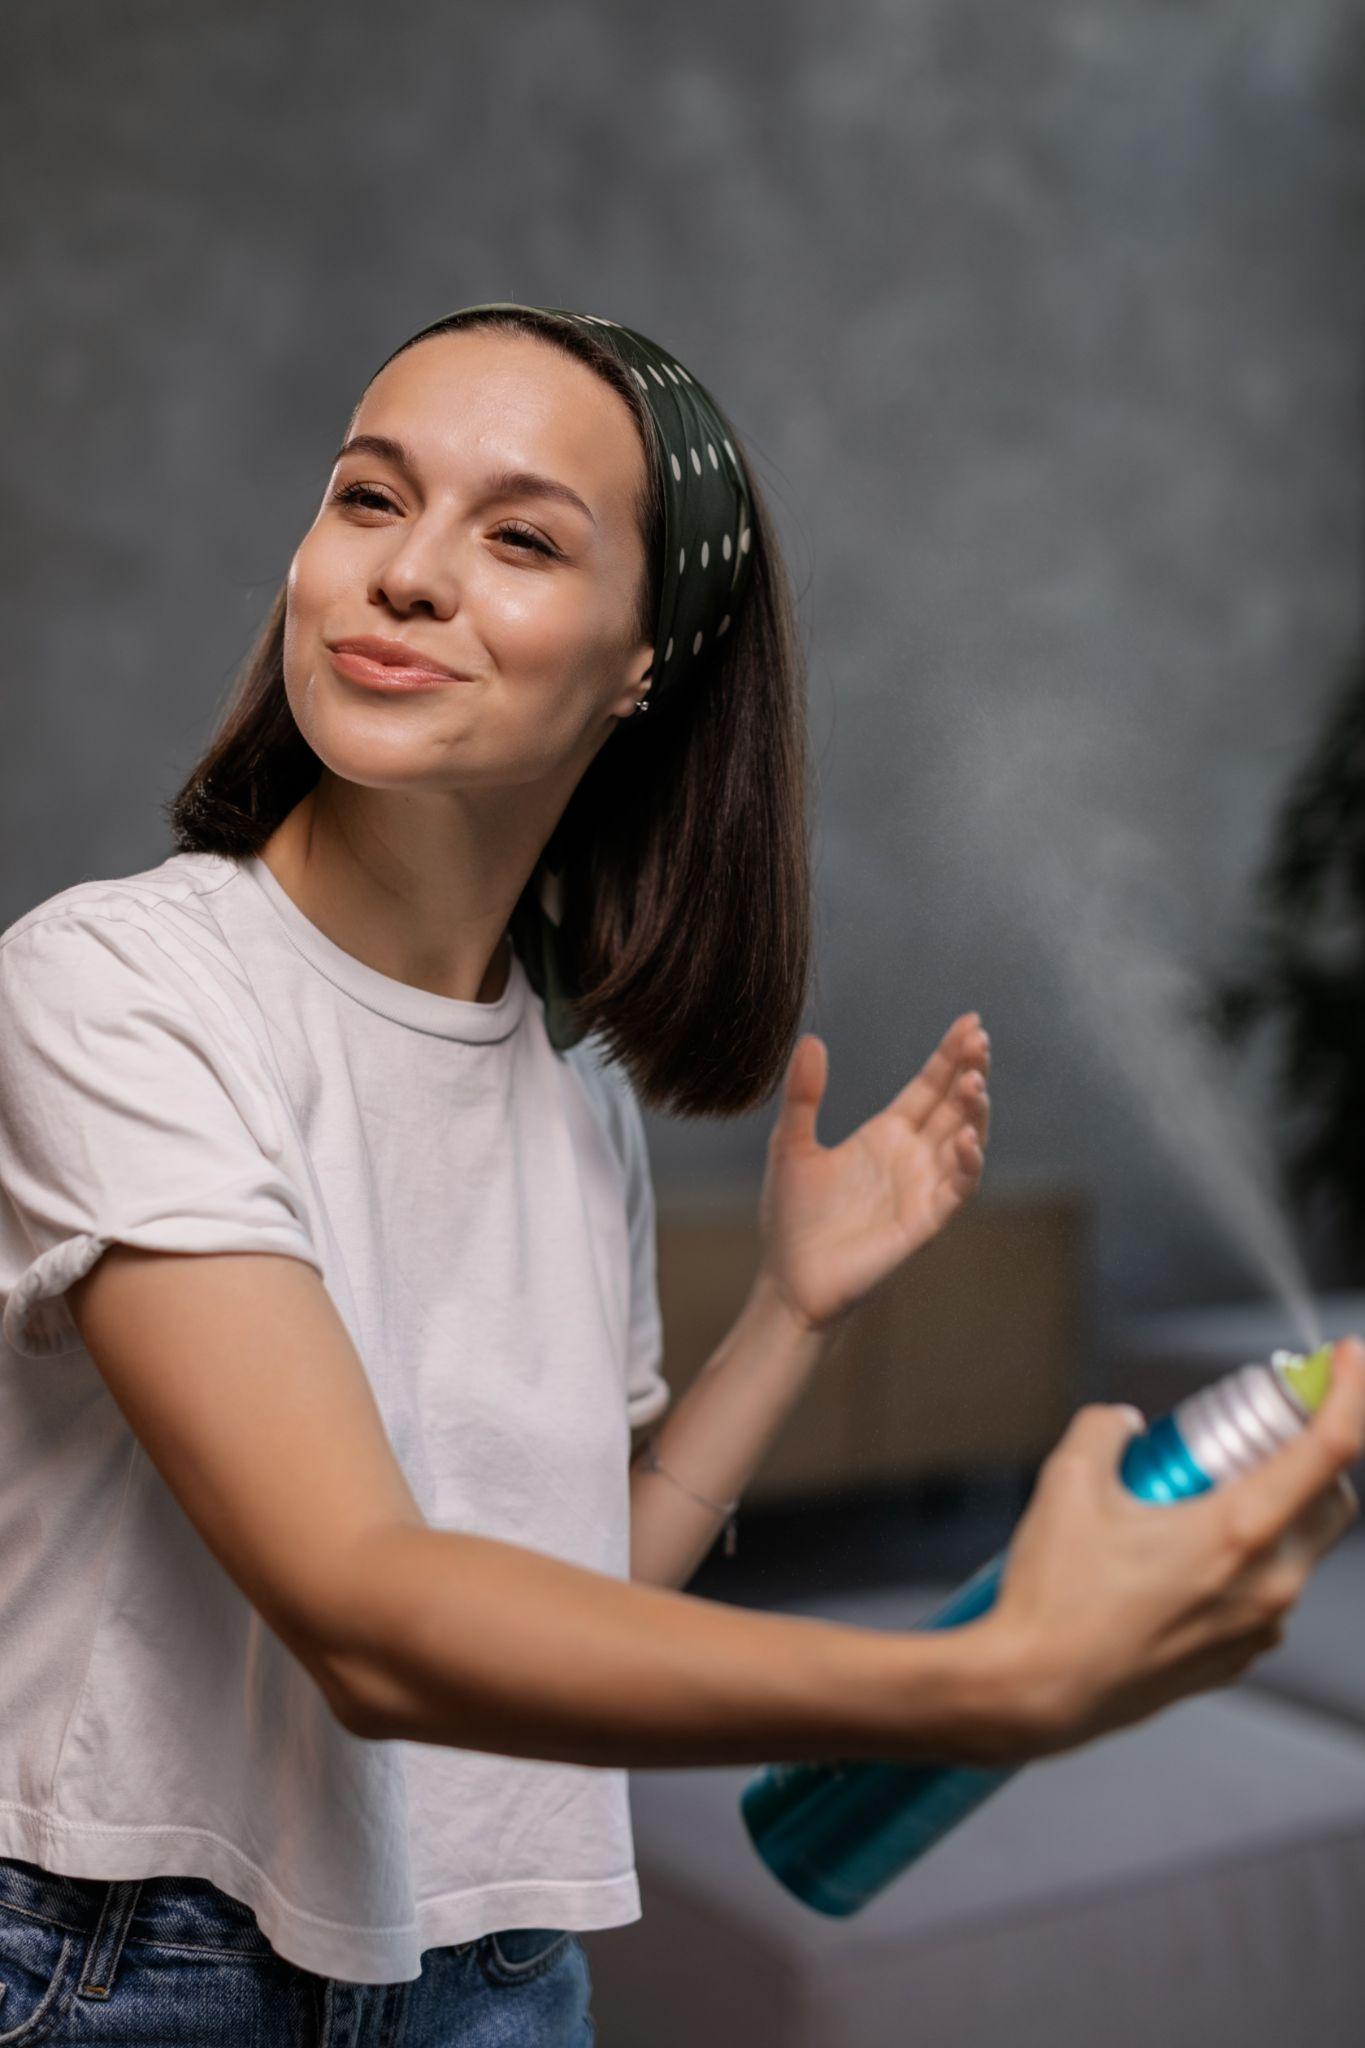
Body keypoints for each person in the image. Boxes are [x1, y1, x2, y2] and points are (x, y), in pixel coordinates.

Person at [0, 301, 1359, 2046]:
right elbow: (367, 1609)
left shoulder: (572, 1089)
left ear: (647, 662)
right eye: (366, 498)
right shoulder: (111, 989)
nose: (407, 575)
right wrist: (973, 1684)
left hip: (497, 1973)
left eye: (519, 538)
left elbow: (570, 1604)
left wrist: (791, 1315)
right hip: (128, 1975)